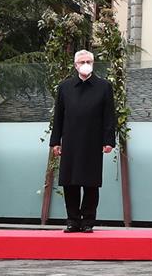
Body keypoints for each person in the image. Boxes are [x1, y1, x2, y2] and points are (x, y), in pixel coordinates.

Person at [49, 49, 117, 233]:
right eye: (82, 62)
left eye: (88, 61)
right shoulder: (65, 87)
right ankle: (72, 219)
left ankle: (88, 220)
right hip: (70, 140)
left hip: (93, 141)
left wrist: (109, 140)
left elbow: (109, 116)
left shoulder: (104, 87)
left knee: (91, 181)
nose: (85, 64)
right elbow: (59, 117)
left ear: (93, 63)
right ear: (75, 65)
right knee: (69, 181)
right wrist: (55, 141)